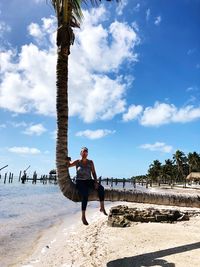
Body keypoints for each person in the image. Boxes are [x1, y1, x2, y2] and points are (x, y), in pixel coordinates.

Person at [68, 147, 107, 225]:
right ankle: (83, 216)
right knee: (85, 195)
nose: (85, 153)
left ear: (87, 153)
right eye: (83, 152)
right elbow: (68, 165)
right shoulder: (77, 162)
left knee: (101, 188)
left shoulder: (91, 162)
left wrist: (95, 182)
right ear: (81, 153)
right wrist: (68, 159)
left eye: (86, 152)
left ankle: (102, 207)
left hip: (89, 181)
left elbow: (94, 173)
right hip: (80, 182)